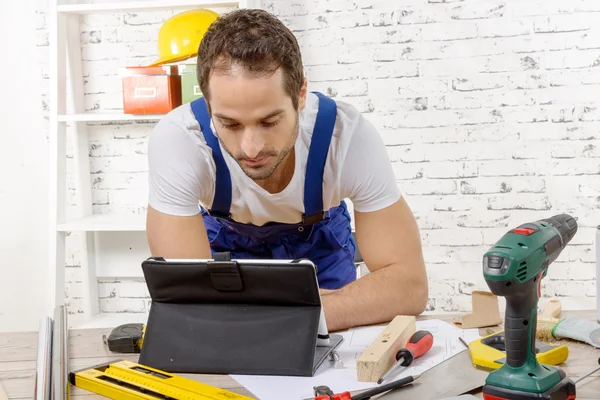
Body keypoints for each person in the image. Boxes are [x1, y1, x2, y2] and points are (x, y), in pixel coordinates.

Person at [145, 9, 428, 332]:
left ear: (301, 95)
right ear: (208, 106)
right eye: (229, 123)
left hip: (319, 249)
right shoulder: (180, 140)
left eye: (269, 121)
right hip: (226, 252)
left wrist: (310, 314)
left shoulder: (347, 138)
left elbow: (410, 287)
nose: (250, 148)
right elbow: (190, 303)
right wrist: (292, 317)